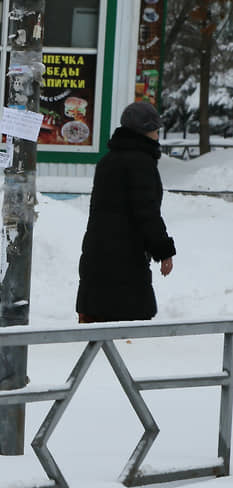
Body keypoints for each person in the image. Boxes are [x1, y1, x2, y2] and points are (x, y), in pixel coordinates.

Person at [76, 101, 176, 323]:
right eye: (155, 130)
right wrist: (163, 250)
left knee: (98, 324)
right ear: (145, 131)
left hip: (97, 256)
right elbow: (147, 212)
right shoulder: (141, 163)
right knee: (126, 329)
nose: (158, 135)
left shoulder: (107, 161)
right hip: (125, 260)